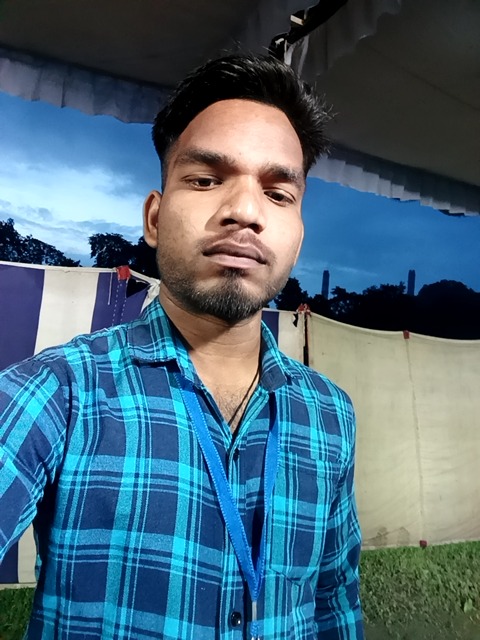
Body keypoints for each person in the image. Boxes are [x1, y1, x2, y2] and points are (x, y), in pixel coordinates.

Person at [0, 54, 363, 639]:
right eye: (206, 180)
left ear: (297, 239)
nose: (245, 212)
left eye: (278, 194)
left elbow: (333, 603)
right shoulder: (59, 393)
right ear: (154, 216)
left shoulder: (330, 416)